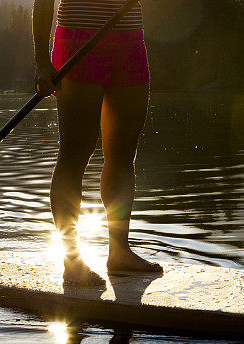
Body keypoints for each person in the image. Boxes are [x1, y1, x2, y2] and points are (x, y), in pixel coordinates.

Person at [33, 0, 162, 285]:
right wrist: (42, 61)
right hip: (79, 37)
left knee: (123, 154)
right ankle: (72, 262)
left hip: (130, 40)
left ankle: (120, 252)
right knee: (75, 153)